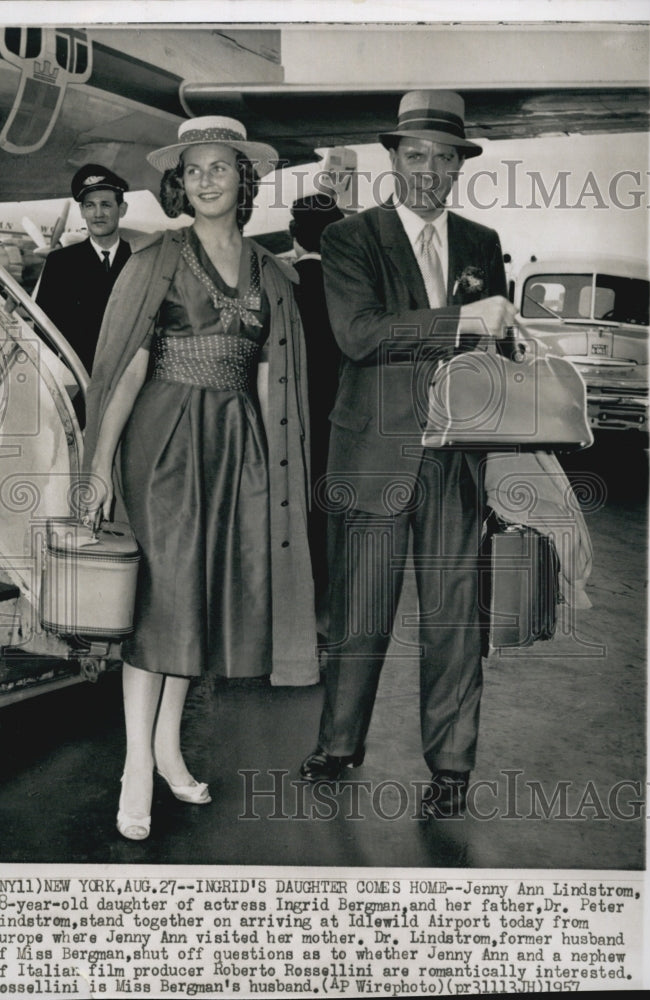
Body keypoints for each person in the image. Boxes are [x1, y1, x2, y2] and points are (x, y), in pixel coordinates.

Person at [82, 117, 318, 840]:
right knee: (160, 605)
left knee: (201, 603)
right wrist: (97, 468)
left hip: (237, 448)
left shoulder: (273, 272)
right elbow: (126, 369)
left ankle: (166, 748)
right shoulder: (157, 258)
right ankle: (133, 768)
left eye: (223, 167)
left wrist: (282, 480)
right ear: (178, 182)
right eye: (196, 169)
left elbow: (277, 383)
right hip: (162, 444)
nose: (209, 178)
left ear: (245, 181)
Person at [299, 91, 518, 818]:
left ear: (460, 166)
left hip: (456, 461)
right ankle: (338, 744)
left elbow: (497, 354)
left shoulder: (482, 244)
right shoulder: (350, 239)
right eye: (414, 154)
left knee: (455, 619)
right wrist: (461, 320)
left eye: (443, 156)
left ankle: (452, 767)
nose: (428, 168)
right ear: (393, 159)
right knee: (360, 614)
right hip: (371, 457)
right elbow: (358, 336)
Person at [289, 193, 345, 629]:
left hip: (289, 415)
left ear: (294, 237)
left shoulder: (284, 284)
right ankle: (324, 610)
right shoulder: (349, 288)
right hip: (337, 417)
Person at [36, 164, 131, 375]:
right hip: (79, 380)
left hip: (132, 382)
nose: (98, 214)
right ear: (82, 211)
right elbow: (44, 331)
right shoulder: (60, 263)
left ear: (121, 209)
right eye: (90, 206)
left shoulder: (139, 259)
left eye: (106, 204)